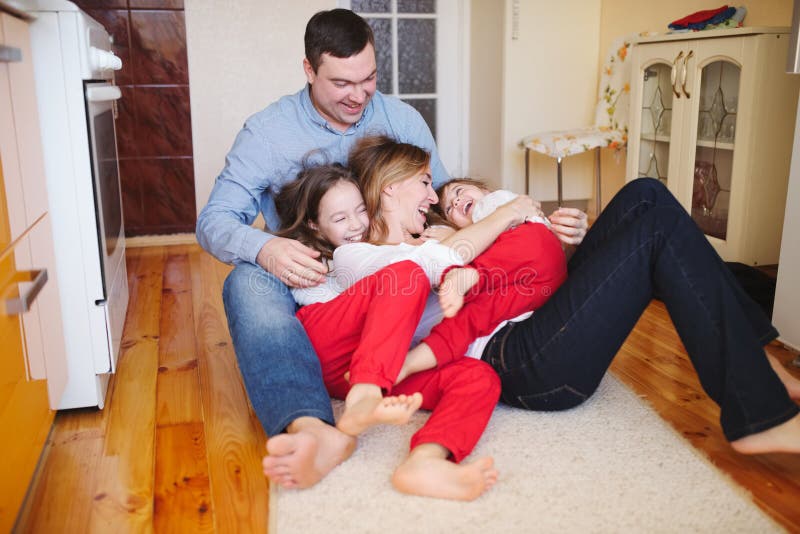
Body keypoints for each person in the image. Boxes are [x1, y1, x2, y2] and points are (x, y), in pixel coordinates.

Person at [349, 137, 800, 456]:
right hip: (522, 361)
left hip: (537, 318)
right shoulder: (379, 253)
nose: (433, 197)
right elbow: (447, 261)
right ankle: (760, 414)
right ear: (392, 185)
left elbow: (521, 266)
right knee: (656, 233)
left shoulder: (440, 231)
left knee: (646, 195)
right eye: (426, 184)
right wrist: (508, 212)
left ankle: (761, 364)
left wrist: (568, 241)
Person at [195, 8, 453, 489]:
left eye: (369, 78)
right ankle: (312, 426)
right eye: (341, 83)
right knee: (245, 281)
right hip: (311, 278)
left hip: (394, 271)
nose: (359, 95)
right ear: (309, 70)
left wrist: (498, 209)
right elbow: (213, 221)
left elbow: (439, 195)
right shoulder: (268, 133)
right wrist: (266, 248)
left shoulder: (403, 119)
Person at [276, 162, 504, 500]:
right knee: (406, 275)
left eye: (359, 212)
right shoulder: (327, 258)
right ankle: (363, 399)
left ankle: (425, 461)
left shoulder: (392, 244)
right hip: (327, 343)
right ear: (315, 225)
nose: (355, 225)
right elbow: (411, 270)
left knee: (479, 377)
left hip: (368, 367)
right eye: (339, 219)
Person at [398, 178, 568, 383]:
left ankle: (471, 275)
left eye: (459, 191)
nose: (457, 201)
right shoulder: (483, 229)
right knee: (471, 317)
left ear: (485, 189)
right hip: (528, 287)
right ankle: (407, 365)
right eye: (450, 208)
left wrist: (453, 235)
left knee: (476, 288)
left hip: (531, 252)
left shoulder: (498, 203)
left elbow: (504, 214)